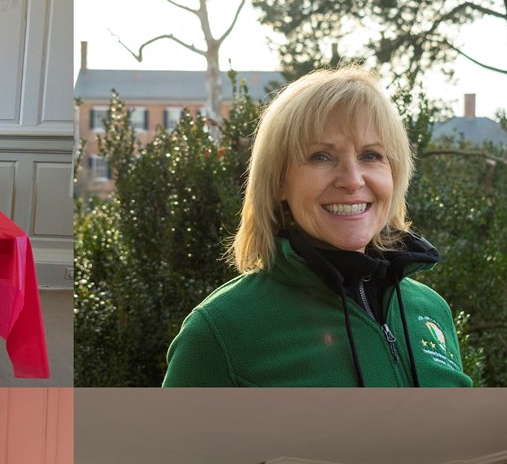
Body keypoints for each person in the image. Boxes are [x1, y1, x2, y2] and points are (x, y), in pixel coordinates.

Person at [163, 65, 471, 387]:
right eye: (321, 156)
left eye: (370, 155)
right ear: (279, 181)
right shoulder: (219, 331)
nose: (353, 181)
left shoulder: (430, 310)